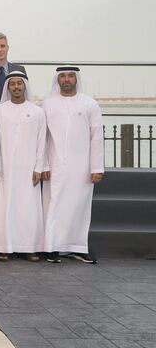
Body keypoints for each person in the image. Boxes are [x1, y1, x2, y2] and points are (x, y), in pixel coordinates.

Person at [41, 66, 104, 264]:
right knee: (53, 205)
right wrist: (42, 164)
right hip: (54, 163)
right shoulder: (47, 104)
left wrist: (97, 168)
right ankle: (52, 248)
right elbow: (41, 138)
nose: (66, 80)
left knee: (79, 207)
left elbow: (97, 137)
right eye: (62, 76)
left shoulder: (90, 104)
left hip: (81, 167)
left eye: (70, 76)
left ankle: (78, 247)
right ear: (57, 80)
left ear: (76, 79)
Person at [0, 72, 46, 262]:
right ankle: (3, 247)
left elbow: (42, 142)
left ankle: (30, 247)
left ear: (25, 87)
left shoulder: (38, 111)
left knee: (29, 207)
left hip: (29, 169)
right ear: (8, 87)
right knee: (4, 206)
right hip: (5, 169)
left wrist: (39, 167)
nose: (16, 87)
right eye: (12, 84)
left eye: (19, 84)